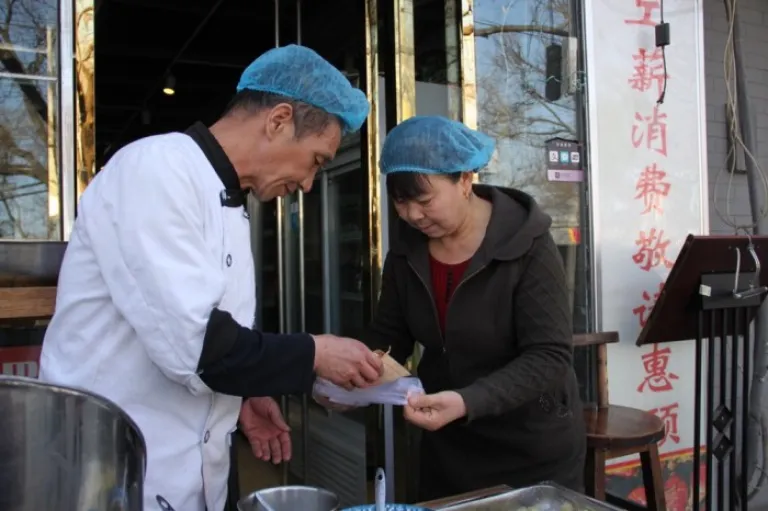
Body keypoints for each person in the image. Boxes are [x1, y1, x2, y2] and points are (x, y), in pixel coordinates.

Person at [38, 45, 383, 511]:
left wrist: (241, 397)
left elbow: (207, 343)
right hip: (114, 471)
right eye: (316, 161)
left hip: (189, 478)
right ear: (279, 120)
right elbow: (200, 347)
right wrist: (316, 353)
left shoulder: (228, 204)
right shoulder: (156, 170)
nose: (307, 184)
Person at [319, 116, 586, 501]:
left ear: (464, 180)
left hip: (529, 445)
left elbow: (550, 356)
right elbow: (390, 336)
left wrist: (467, 401)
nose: (412, 215)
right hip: (448, 445)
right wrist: (351, 381)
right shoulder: (407, 251)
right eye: (401, 201)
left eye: (425, 200)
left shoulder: (527, 244)